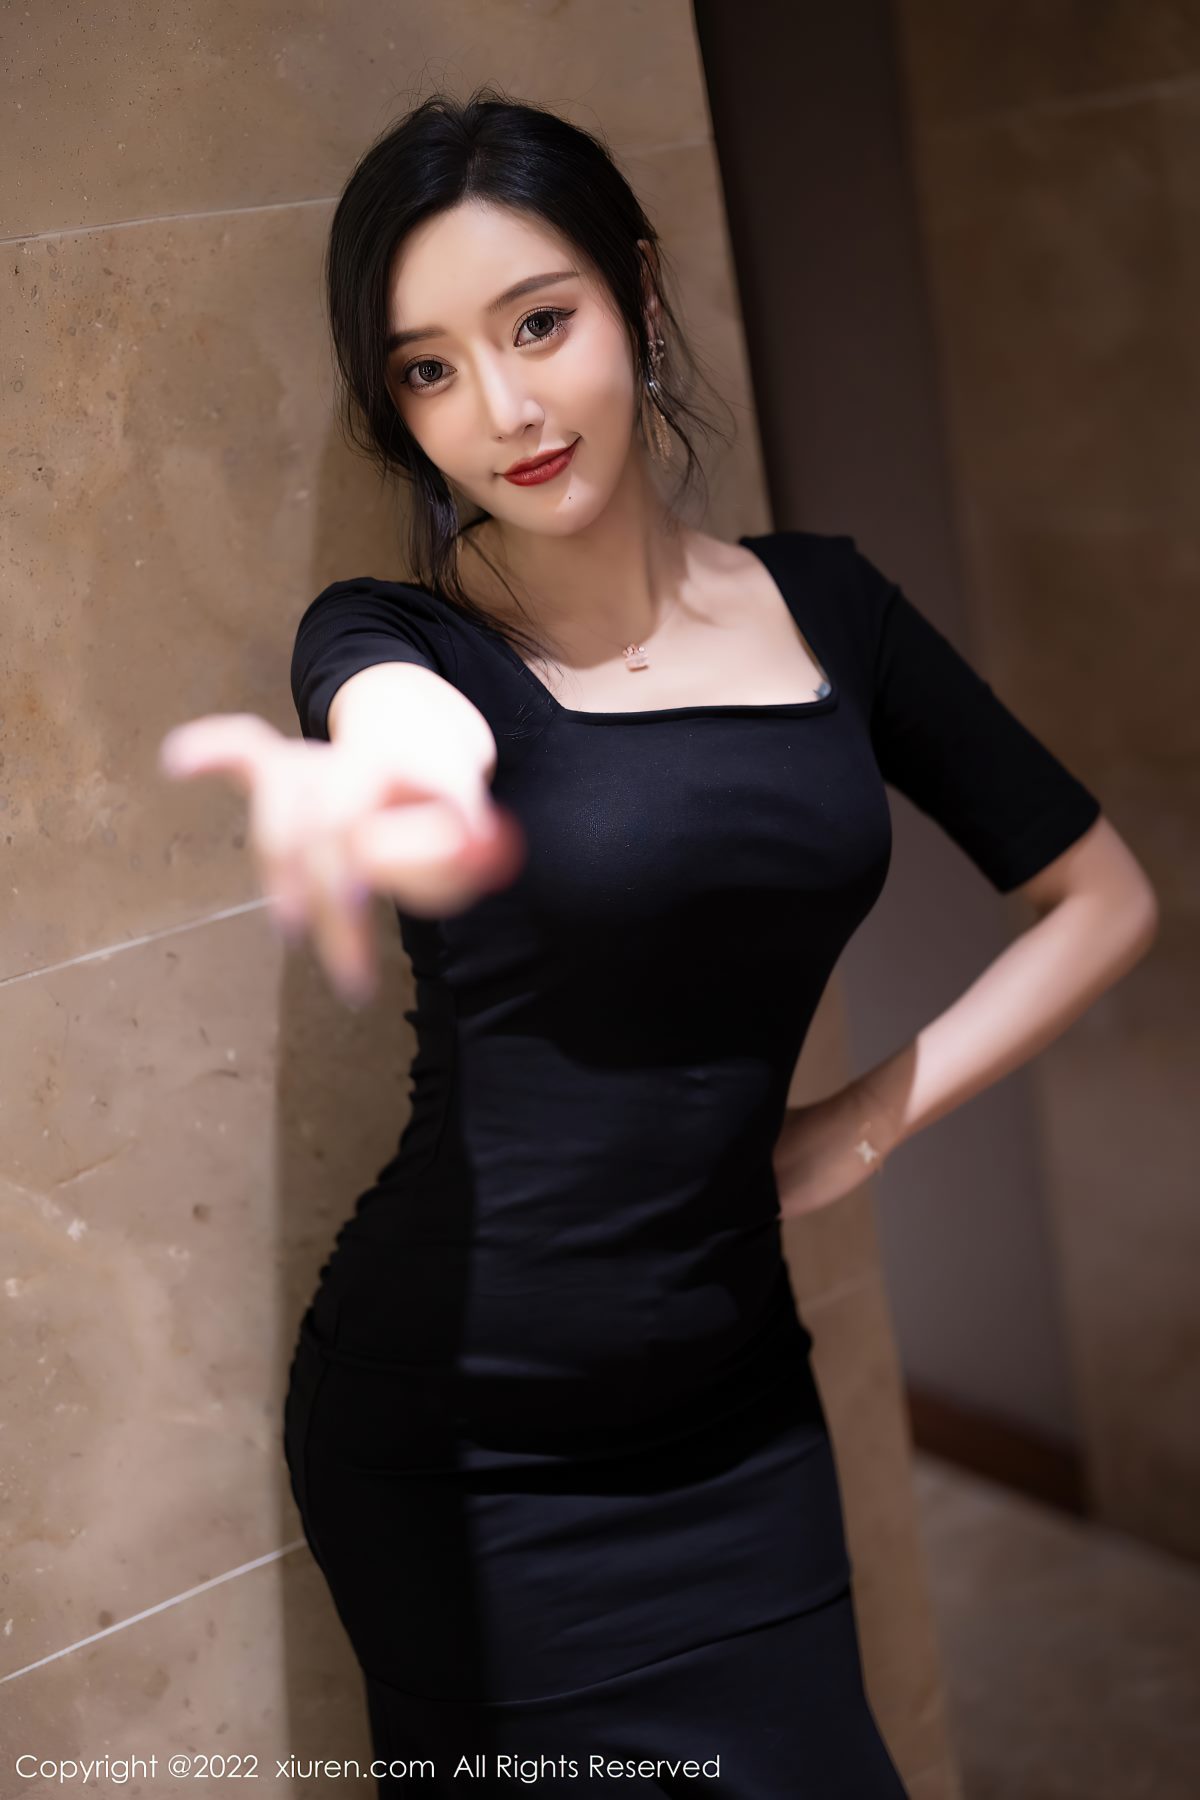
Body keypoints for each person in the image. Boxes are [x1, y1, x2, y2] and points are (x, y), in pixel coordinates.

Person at [158, 89, 1158, 1799]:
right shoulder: (399, 637)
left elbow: (1105, 901)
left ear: (632, 286)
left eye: (538, 323)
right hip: (466, 1446)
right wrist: (383, 795)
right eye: (429, 370)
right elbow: (411, 745)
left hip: (735, 1419)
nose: (504, 409)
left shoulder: (830, 610)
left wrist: (865, 1121)